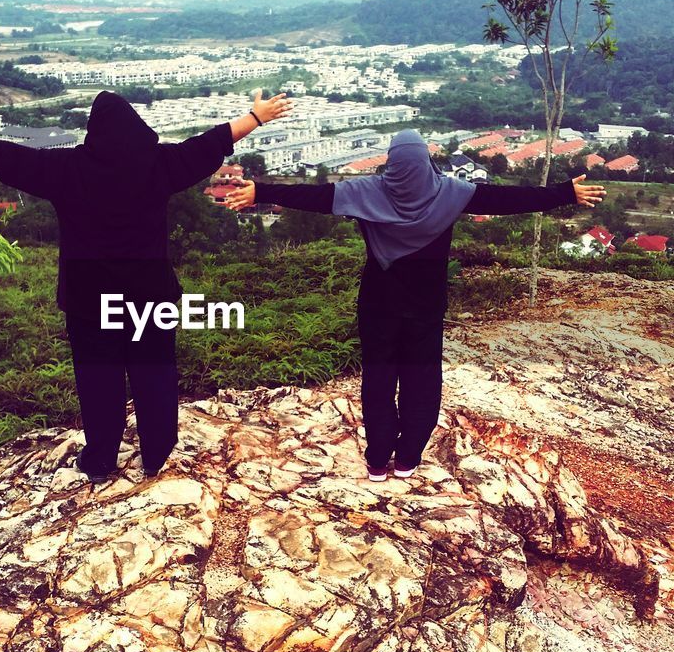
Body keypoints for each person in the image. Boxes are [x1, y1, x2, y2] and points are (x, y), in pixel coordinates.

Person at [0, 89, 292, 484]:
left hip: (88, 300)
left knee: (98, 380)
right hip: (149, 294)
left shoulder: (67, 168)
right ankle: (158, 455)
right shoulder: (160, 164)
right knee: (155, 375)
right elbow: (210, 143)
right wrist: (257, 116)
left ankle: (100, 460)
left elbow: (9, 156)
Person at [225, 129, 603, 482]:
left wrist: (260, 191)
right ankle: (407, 458)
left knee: (378, 378)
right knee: (422, 381)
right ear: (426, 162)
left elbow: (317, 196)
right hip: (426, 305)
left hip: (378, 304)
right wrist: (564, 193)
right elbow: (505, 200)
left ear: (391, 162)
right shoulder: (450, 193)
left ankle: (377, 461)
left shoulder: (367, 192)